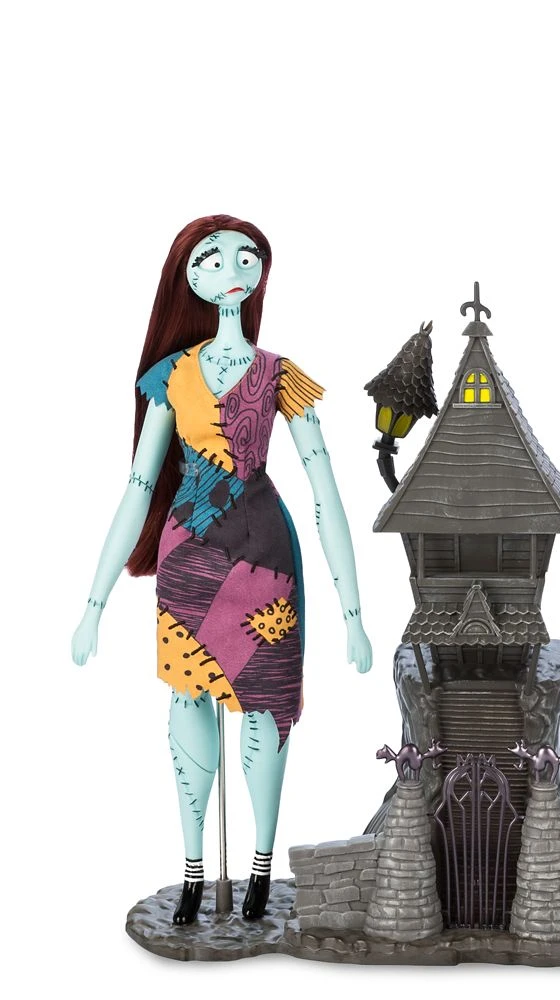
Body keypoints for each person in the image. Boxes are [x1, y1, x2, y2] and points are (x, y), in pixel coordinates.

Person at [71, 215, 373, 924]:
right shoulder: (171, 378)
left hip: (266, 560)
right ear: (189, 277)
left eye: (246, 257)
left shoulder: (279, 376)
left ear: (261, 271)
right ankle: (193, 868)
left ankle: (261, 867)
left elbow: (326, 490)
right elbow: (138, 486)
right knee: (187, 701)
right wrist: (94, 602)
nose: (231, 268)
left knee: (264, 708)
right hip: (187, 560)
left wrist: (354, 613)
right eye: (211, 258)